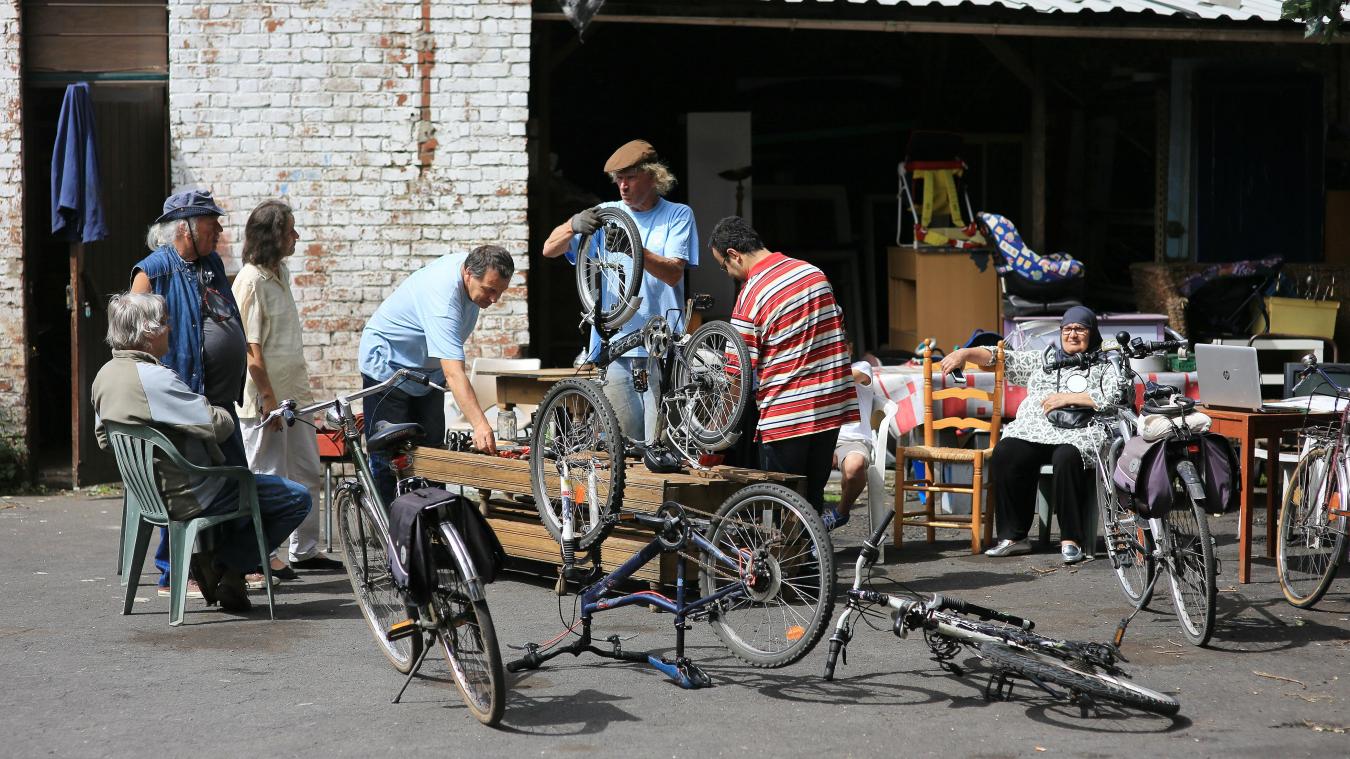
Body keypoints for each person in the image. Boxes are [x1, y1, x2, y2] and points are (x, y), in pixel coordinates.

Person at [92, 292, 311, 613]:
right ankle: (227, 565)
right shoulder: (156, 380)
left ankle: (222, 569)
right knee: (295, 497)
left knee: (244, 485)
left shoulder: (104, 376)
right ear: (148, 333)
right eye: (164, 323)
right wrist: (216, 410)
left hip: (147, 491)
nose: (170, 329)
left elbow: (104, 438)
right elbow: (218, 426)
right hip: (190, 491)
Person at [131, 189, 253, 593]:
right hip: (181, 401)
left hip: (219, 400)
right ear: (185, 227)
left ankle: (227, 564)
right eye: (210, 221)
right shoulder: (152, 272)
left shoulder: (212, 263)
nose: (219, 228)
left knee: (236, 480)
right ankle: (172, 573)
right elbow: (132, 339)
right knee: (182, 485)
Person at [939, 306, 1128, 564]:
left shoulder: (1106, 361)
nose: (1073, 334)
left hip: (1080, 431)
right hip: (1035, 429)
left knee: (1067, 457)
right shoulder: (1045, 359)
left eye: (1080, 329)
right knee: (1007, 452)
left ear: (1092, 332)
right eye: (1068, 329)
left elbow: (1120, 394)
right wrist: (965, 353)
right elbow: (1000, 358)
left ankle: (1072, 539)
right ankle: (1014, 537)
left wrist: (1069, 398)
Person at [541, 139, 698, 442]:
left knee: (660, 441)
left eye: (630, 178)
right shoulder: (607, 213)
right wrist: (573, 224)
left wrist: (635, 249)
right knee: (624, 442)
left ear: (653, 177)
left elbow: (673, 273)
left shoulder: (678, 215)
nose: (622, 186)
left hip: (659, 344)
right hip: (614, 346)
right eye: (618, 179)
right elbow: (549, 249)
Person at [709, 216, 858, 515]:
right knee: (812, 501)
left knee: (781, 510)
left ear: (734, 255)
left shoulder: (751, 295)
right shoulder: (813, 273)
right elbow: (838, 330)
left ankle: (789, 563)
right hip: (829, 407)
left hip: (785, 416)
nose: (728, 274)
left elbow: (737, 373)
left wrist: (718, 431)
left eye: (724, 267)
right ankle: (813, 561)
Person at [232, 200, 342, 574]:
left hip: (295, 393)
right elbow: (250, 349)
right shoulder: (250, 281)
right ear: (273, 235)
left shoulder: (281, 274)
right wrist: (268, 399)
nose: (297, 236)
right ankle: (264, 556)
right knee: (268, 478)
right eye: (291, 230)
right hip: (267, 400)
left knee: (309, 470)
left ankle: (305, 549)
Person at [358, 245, 515, 503]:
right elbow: (454, 373)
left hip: (425, 375)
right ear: (468, 274)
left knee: (432, 455)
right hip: (388, 367)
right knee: (390, 459)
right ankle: (390, 536)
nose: (495, 299)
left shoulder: (473, 274)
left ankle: (432, 530)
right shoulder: (443, 297)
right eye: (490, 289)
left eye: (500, 292)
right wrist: (479, 424)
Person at [827, 357, 883, 531]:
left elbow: (843, 379)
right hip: (819, 436)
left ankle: (840, 513)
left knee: (855, 467)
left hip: (851, 439)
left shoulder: (862, 367)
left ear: (849, 348)